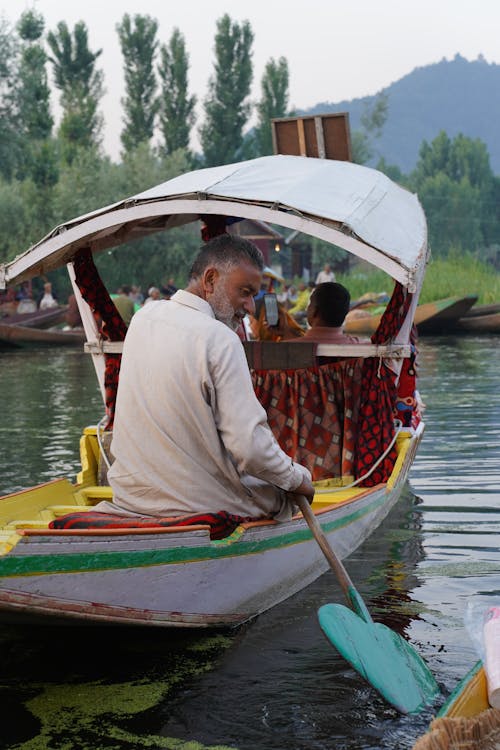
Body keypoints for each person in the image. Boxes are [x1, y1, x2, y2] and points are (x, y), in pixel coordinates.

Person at [94, 234, 314, 522]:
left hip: (130, 497)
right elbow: (250, 449)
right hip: (199, 505)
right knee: (287, 491)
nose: (250, 307)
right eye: (245, 292)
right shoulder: (221, 338)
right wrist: (298, 478)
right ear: (210, 280)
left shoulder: (143, 317)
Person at [285, 282, 361, 347]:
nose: (307, 309)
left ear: (315, 310)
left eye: (310, 303)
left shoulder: (285, 349)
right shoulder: (361, 346)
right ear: (346, 312)